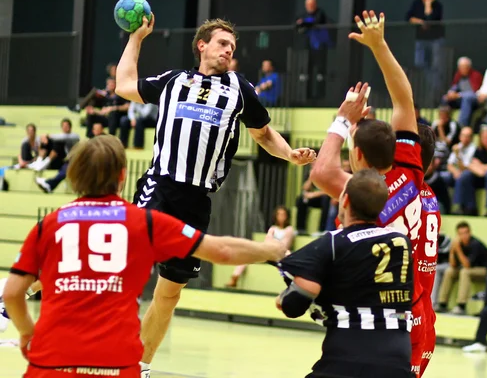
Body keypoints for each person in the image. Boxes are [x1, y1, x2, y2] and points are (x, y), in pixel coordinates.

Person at [114, 15, 316, 377]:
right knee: (114, 254)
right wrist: (137, 38)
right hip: (161, 186)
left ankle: (140, 365)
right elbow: (125, 84)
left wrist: (289, 154)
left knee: (169, 294)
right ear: (202, 45)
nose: (229, 51)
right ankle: (20, 291)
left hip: (197, 201)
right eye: (223, 44)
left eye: (233, 48)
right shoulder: (173, 82)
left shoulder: (239, 88)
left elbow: (264, 134)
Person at [1, 135, 287, 378]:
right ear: (123, 176)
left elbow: (13, 293)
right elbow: (222, 250)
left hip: (50, 360)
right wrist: (271, 250)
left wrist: (27, 333)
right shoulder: (144, 223)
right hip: (114, 364)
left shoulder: (50, 225)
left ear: (73, 174)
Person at [309, 11, 439, 378]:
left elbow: (322, 172)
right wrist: (380, 45)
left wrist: (342, 120)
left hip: (379, 324)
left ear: (361, 157)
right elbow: (404, 100)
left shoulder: (366, 193)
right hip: (416, 311)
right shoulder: (412, 175)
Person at [275, 169, 414, 377]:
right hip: (398, 359)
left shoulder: (332, 242)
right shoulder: (401, 241)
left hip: (347, 356)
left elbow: (292, 306)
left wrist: (284, 293)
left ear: (345, 200)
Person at [226, 205, 295, 288]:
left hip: (280, 254)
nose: (281, 217)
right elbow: (267, 240)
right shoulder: (273, 228)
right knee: (247, 255)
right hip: (268, 252)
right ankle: (235, 277)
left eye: (283, 214)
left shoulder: (289, 229)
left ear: (287, 216)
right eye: (279, 214)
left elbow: (284, 245)